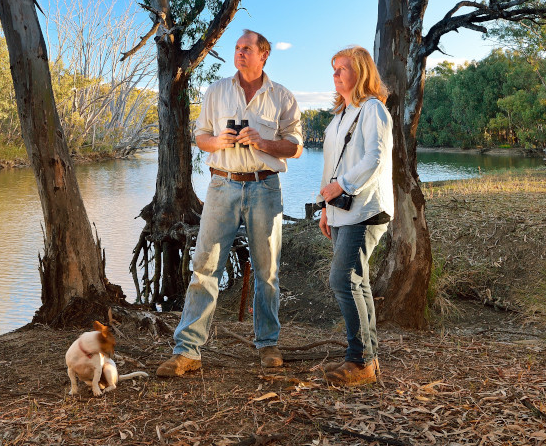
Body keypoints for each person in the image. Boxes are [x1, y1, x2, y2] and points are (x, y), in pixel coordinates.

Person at [156, 29, 302, 377]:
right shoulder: (217, 91)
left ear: (264, 54)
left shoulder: (282, 96)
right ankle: (187, 350)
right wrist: (217, 141)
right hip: (222, 186)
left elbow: (295, 146)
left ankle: (268, 344)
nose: (240, 53)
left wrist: (265, 143)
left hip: (264, 188)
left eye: (247, 49)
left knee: (267, 271)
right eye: (237, 48)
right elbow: (200, 137)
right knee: (205, 267)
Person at [317, 46, 393, 387]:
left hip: (367, 208)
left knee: (342, 280)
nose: (335, 75)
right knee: (356, 282)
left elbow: (375, 158)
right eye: (333, 69)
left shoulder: (372, 109)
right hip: (342, 212)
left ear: (360, 72)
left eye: (342, 69)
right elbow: (332, 168)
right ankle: (367, 361)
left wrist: (343, 186)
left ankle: (360, 360)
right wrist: (326, 207)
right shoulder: (339, 116)